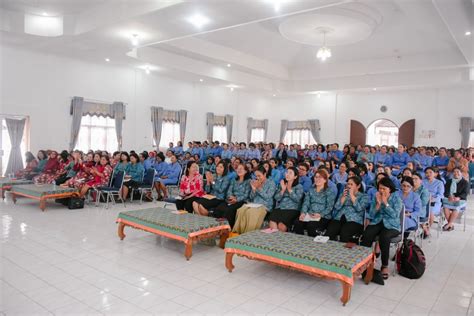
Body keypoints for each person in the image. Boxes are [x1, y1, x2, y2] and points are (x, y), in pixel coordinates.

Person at [362, 177, 402, 280]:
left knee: (384, 237)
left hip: (392, 224)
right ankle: (364, 261)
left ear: (390, 189)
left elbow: (395, 215)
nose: (381, 190)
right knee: (367, 233)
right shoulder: (377, 196)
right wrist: (378, 204)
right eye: (380, 188)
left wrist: (385, 203)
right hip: (378, 221)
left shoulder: (396, 198)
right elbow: (371, 214)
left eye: (384, 188)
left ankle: (384, 266)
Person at [232, 165, 276, 234]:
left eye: (259, 176)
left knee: (250, 213)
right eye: (256, 176)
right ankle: (237, 232)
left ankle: (248, 234)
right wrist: (253, 189)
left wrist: (258, 188)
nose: (257, 178)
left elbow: (268, 197)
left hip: (264, 206)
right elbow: (251, 197)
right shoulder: (255, 182)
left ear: (264, 174)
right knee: (241, 210)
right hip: (254, 204)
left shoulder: (271, 183)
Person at [325, 176, 369, 242]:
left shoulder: (364, 196)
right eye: (348, 184)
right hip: (339, 218)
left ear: (358, 186)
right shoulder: (343, 194)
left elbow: (359, 208)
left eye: (351, 184)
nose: (349, 186)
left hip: (354, 220)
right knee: (329, 232)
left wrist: (351, 195)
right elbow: (336, 207)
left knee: (344, 233)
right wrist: (343, 197)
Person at [293, 169, 336, 237]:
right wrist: (303, 213)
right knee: (297, 222)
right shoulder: (311, 190)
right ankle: (301, 241)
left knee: (311, 225)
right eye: (316, 177)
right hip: (310, 214)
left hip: (323, 216)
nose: (317, 179)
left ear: (325, 180)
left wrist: (320, 214)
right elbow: (306, 203)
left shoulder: (329, 191)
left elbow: (330, 207)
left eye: (320, 177)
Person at [213, 163, 251, 228]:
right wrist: (230, 197)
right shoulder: (234, 180)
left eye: (241, 169)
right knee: (219, 208)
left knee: (229, 210)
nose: (239, 170)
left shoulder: (248, 181)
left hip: (241, 200)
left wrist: (236, 199)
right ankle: (216, 227)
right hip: (231, 199)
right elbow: (229, 190)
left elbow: (246, 194)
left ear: (246, 171)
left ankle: (227, 228)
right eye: (237, 169)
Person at [267, 167, 304, 232]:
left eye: (290, 173)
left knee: (281, 225)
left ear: (295, 176)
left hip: (292, 209)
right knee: (272, 222)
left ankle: (280, 240)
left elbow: (297, 199)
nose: (287, 174)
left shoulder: (299, 186)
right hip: (280, 208)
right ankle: (274, 240)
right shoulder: (281, 184)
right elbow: (277, 198)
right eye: (287, 172)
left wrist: (289, 190)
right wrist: (283, 190)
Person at [442, 167, 469, 231]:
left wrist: (458, 198)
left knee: (457, 207)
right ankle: (450, 225)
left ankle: (449, 224)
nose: (456, 173)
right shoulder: (449, 181)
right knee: (445, 207)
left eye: (458, 172)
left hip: (460, 200)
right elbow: (445, 191)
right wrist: (449, 196)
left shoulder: (465, 182)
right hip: (450, 199)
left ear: (461, 173)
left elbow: (465, 193)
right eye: (454, 172)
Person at [423, 167, 445, 237]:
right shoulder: (422, 181)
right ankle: (425, 229)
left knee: (430, 212)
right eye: (426, 173)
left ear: (435, 174)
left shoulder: (439, 183)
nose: (428, 174)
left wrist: (433, 199)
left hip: (435, 202)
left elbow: (441, 195)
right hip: (424, 200)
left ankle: (428, 229)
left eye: (430, 172)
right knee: (418, 211)